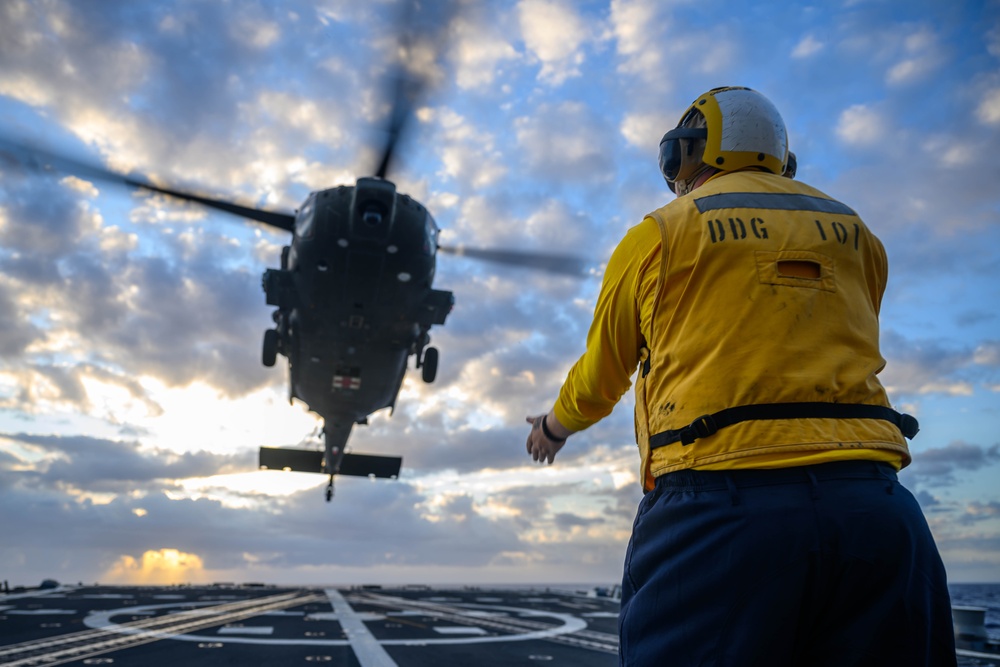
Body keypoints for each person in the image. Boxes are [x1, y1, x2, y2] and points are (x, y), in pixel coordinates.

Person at [524, 86, 956, 666]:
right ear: (783, 160)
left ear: (684, 155)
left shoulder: (661, 233)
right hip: (877, 513)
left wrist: (553, 427)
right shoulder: (856, 234)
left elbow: (603, 374)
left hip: (718, 514)